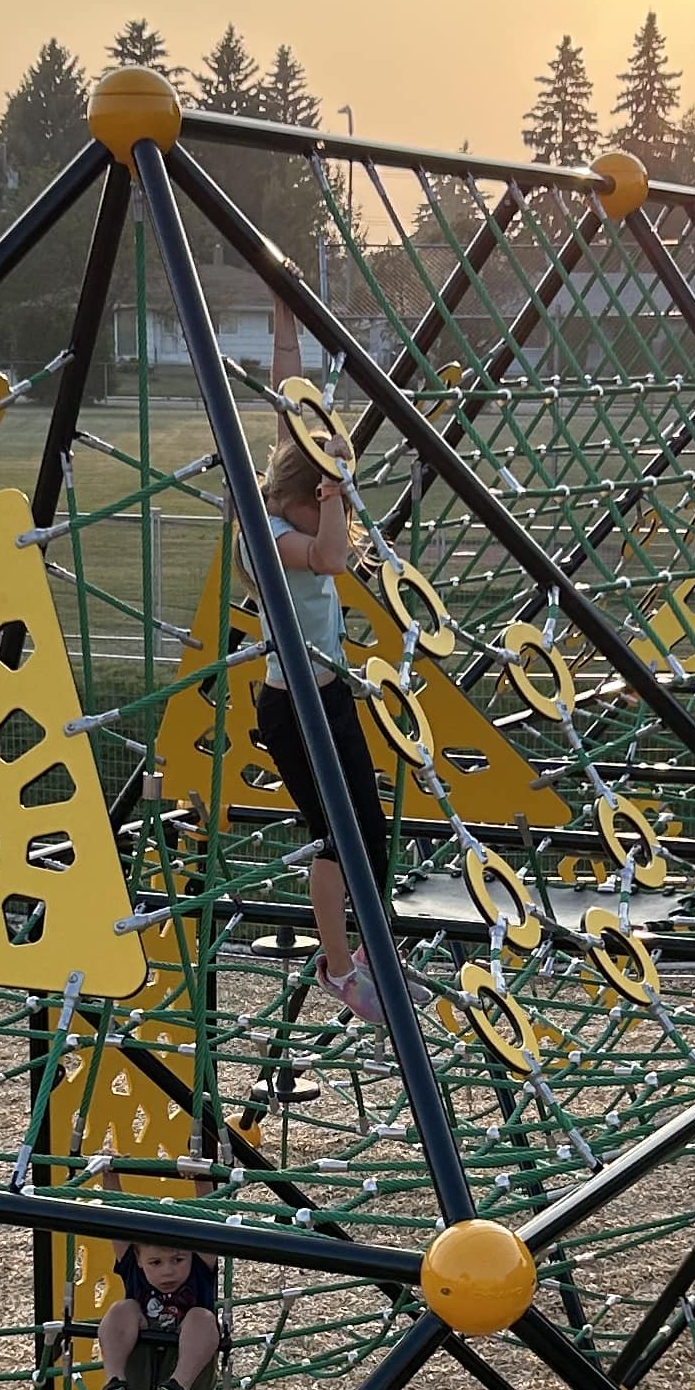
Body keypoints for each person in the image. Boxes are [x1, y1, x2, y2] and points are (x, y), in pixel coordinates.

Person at [249, 409, 391, 1023]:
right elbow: (333, 557)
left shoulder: (287, 507)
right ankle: (336, 969)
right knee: (333, 839)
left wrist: (285, 323)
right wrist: (334, 485)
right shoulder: (268, 536)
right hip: (294, 710)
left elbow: (290, 413)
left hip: (329, 697)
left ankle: (369, 955)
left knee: (374, 834)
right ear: (303, 498)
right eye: (330, 503)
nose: (341, 520)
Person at [95, 1235, 220, 1390]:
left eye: (178, 1260)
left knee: (201, 1317)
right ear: (138, 1259)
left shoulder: (199, 1272)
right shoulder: (133, 1270)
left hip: (189, 1388)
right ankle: (115, 1385)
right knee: (122, 1309)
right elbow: (117, 1227)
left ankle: (177, 1389)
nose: (168, 1271)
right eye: (155, 1262)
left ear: (192, 1255)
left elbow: (208, 1229)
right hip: (136, 1385)